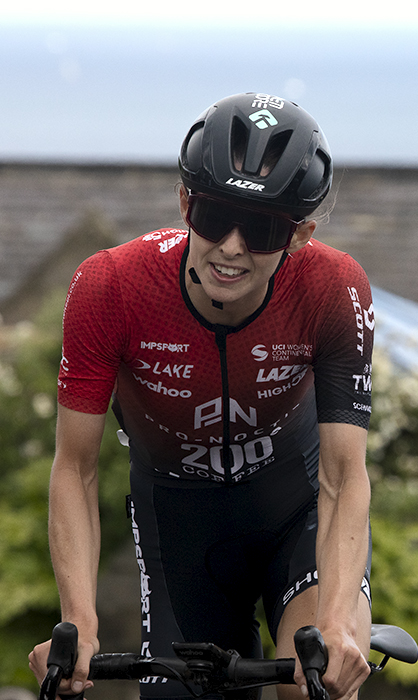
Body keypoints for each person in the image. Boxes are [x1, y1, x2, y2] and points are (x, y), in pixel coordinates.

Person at [29, 92, 375, 700]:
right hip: (179, 526)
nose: (234, 246)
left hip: (295, 514)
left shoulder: (332, 287)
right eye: (215, 217)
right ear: (185, 202)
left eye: (264, 228)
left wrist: (340, 620)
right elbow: (76, 468)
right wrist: (78, 622)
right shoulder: (110, 286)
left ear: (300, 235)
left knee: (314, 682)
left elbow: (345, 477)